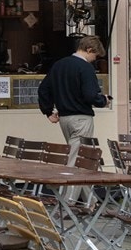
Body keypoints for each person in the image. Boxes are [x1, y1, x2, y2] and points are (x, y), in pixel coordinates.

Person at [36, 35, 110, 168]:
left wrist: (48, 111)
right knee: (77, 162)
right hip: (81, 118)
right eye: (95, 55)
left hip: (64, 118)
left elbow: (43, 89)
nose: (95, 59)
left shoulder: (59, 65)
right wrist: (103, 100)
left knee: (77, 157)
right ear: (89, 49)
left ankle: (86, 189)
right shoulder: (86, 68)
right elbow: (90, 95)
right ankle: (68, 188)